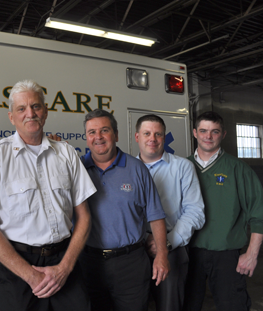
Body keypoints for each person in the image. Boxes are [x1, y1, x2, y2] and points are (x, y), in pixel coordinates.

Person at [0, 79, 96, 311]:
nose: (30, 113)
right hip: (18, 270)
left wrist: (65, 268)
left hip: (64, 263)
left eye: (36, 106)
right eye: (21, 109)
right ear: (11, 117)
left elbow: (84, 217)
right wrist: (31, 276)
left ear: (45, 112)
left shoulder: (66, 153)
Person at [79, 108, 170, 311]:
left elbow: (156, 216)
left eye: (104, 130)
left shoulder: (137, 169)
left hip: (131, 264)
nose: (98, 137)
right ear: (86, 138)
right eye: (92, 132)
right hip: (89, 263)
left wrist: (162, 255)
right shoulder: (77, 169)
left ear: (116, 134)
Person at [184, 111, 263, 311]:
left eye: (214, 131)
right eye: (203, 131)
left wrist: (252, 254)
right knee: (185, 304)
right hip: (187, 252)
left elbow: (258, 214)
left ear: (223, 134)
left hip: (226, 254)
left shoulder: (238, 169)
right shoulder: (182, 167)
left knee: (233, 305)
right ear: (194, 132)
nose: (208, 136)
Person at [135, 114, 205, 311]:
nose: (153, 139)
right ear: (137, 137)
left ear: (164, 138)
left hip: (171, 248)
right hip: (134, 251)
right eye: (147, 133)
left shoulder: (183, 167)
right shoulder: (128, 169)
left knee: (169, 306)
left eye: (158, 134)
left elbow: (195, 211)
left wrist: (165, 243)